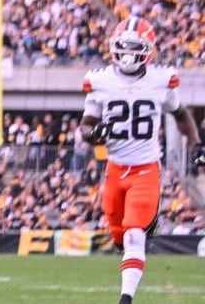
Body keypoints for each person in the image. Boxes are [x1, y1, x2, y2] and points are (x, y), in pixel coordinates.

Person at [80, 17, 205, 304]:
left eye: (135, 48)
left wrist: (196, 143)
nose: (128, 54)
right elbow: (85, 126)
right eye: (123, 47)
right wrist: (95, 133)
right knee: (118, 236)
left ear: (147, 50)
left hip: (146, 169)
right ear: (114, 47)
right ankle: (141, 233)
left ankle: (125, 299)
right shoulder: (99, 81)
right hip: (114, 169)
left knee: (135, 234)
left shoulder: (161, 80)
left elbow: (182, 115)